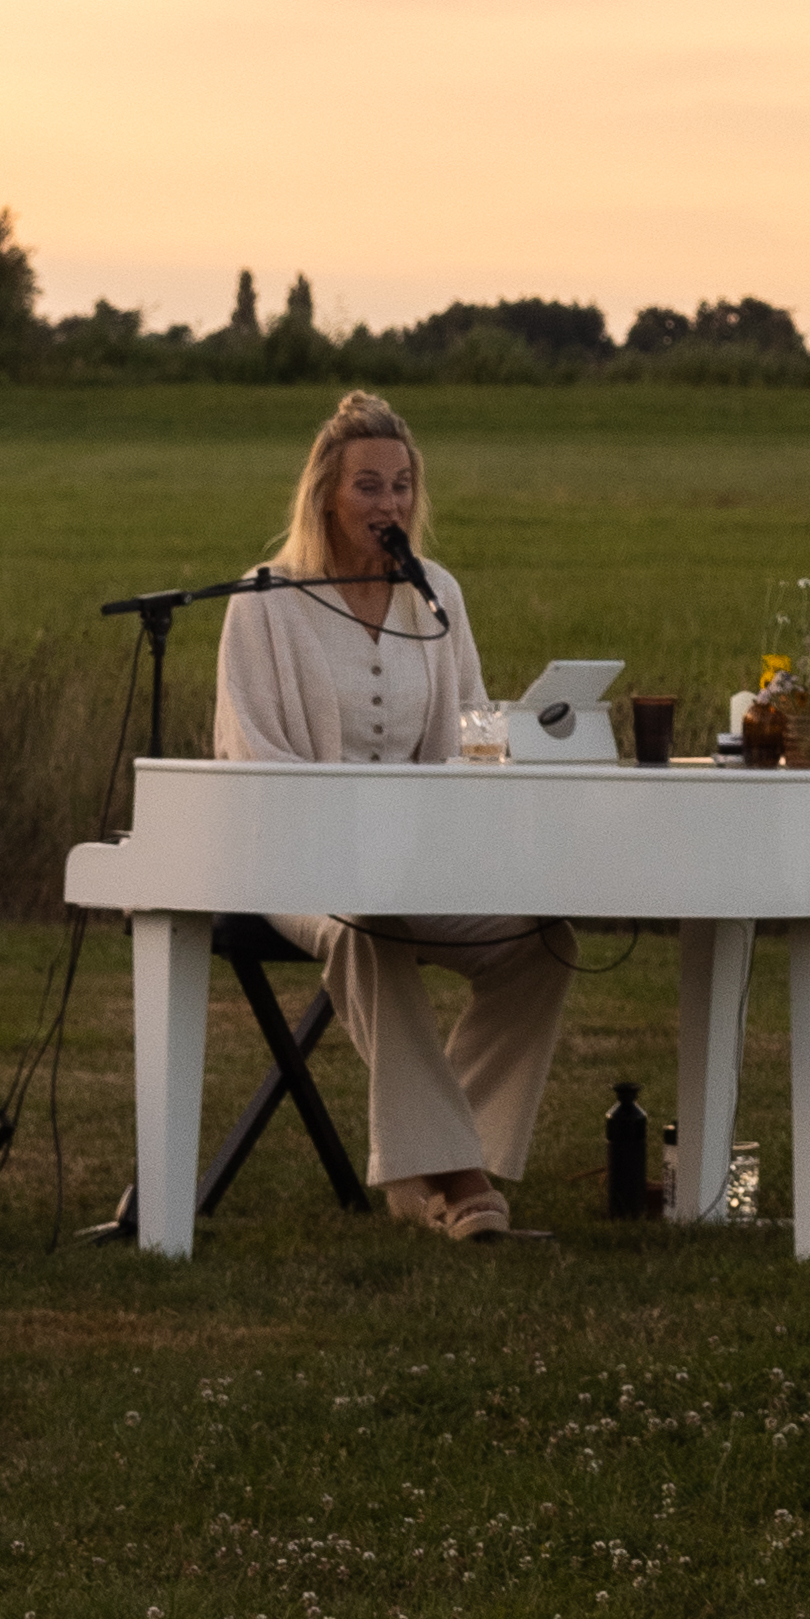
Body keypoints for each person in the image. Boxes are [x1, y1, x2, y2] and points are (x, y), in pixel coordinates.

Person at [210, 388, 576, 1243]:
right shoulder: (264, 600)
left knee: (544, 941)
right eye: (368, 486)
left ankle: (429, 1169)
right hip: (292, 864)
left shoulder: (435, 595)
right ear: (326, 497)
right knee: (364, 928)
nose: (390, 503)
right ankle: (460, 1179)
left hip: (415, 860)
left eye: (402, 485)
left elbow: (465, 733)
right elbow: (253, 757)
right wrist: (349, 843)